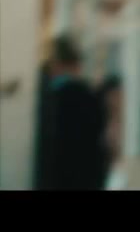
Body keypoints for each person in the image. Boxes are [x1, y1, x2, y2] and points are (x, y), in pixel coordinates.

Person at [37, 35, 108, 190]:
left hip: (55, 179)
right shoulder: (91, 97)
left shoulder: (48, 98)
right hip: (86, 180)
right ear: (76, 65)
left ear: (56, 64)